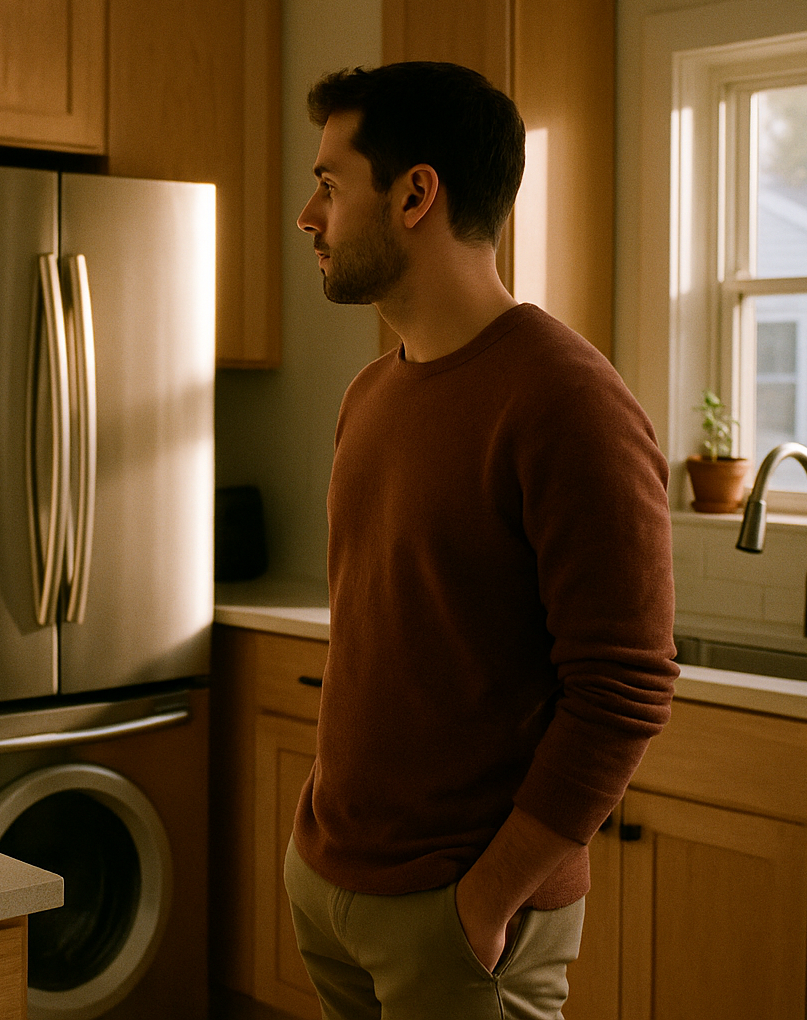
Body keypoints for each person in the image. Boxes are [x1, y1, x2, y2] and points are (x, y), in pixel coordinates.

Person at [285, 61, 678, 1020]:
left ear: (415, 194)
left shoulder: (567, 402)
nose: (308, 215)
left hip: (460, 914)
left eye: (331, 184)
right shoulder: (371, 394)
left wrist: (487, 901)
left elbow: (624, 691)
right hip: (332, 881)